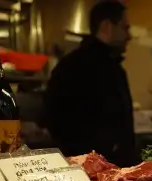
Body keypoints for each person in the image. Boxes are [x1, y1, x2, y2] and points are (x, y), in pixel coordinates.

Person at [43, 1, 136, 166]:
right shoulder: (75, 67)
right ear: (107, 27)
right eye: (125, 28)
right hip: (90, 171)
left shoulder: (111, 66)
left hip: (110, 171)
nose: (129, 36)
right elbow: (55, 120)